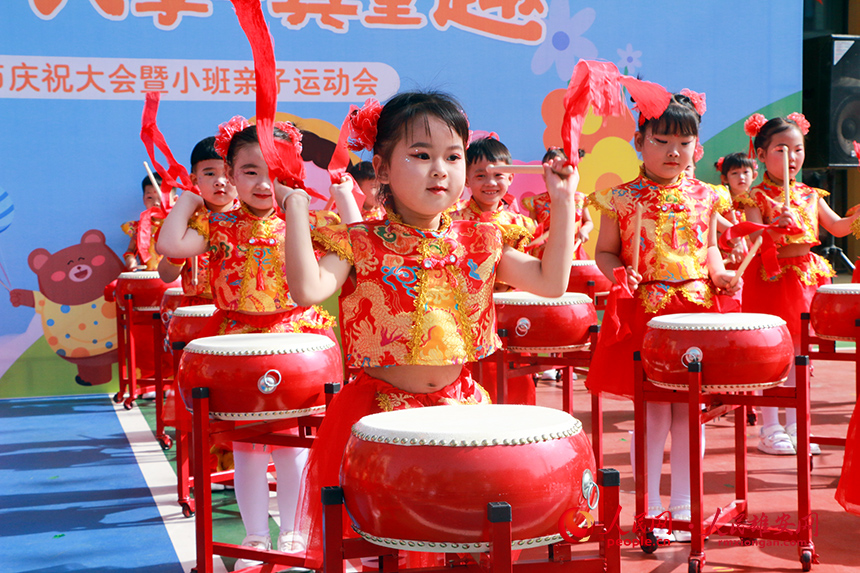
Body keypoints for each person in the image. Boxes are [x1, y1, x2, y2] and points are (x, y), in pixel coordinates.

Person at [281, 90, 580, 569]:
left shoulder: (480, 238)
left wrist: (564, 206)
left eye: (452, 156)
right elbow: (308, 291)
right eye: (420, 156)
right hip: (381, 414)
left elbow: (551, 282)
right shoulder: (361, 242)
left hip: (460, 408)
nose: (439, 169)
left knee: (461, 537)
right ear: (380, 168)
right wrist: (295, 212)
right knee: (388, 543)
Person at [156, 118, 346, 566]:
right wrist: (188, 196)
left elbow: (352, 244)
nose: (264, 184)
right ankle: (257, 539)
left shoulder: (309, 220)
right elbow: (170, 244)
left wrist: (303, 202)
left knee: (292, 447)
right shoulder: (215, 224)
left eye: (276, 172)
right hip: (238, 347)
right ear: (230, 173)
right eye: (250, 172)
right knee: (247, 449)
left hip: (295, 344)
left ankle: (295, 536)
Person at [586, 92, 737, 542]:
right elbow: (605, 251)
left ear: (698, 149)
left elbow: (709, 249)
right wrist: (619, 272)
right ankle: (649, 508)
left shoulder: (709, 196)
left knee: (689, 412)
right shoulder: (621, 197)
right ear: (640, 140)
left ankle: (686, 507)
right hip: (647, 311)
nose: (674, 151)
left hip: (696, 310)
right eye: (663, 140)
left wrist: (722, 272)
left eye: (685, 142)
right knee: (653, 413)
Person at [738, 113, 860, 456]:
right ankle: (769, 426)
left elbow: (837, 228)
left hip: (806, 277)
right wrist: (775, 227)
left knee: (801, 355)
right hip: (772, 278)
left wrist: (857, 216)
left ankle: (796, 425)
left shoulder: (810, 194)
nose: (791, 158)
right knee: (773, 353)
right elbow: (754, 242)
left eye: (797, 149)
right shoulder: (755, 197)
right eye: (781, 149)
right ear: (761, 155)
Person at [453, 135, 537, 403]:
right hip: (466, 317)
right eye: (480, 175)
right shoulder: (452, 220)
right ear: (466, 180)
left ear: (511, 177)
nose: (490, 183)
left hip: (510, 319)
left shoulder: (522, 223)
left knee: (515, 387)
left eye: (498, 175)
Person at [156, 136, 238, 305]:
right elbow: (166, 275)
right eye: (210, 173)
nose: (220, 182)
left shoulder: (249, 217)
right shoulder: (184, 221)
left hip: (239, 311)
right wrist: (179, 253)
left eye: (227, 174)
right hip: (196, 311)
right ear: (194, 180)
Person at [522, 148, 592, 260]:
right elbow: (533, 228)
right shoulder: (536, 201)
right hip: (545, 253)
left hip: (573, 251)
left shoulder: (579, 198)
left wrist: (584, 230)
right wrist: (539, 241)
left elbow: (588, 221)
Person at [122, 173, 170, 271]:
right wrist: (130, 259)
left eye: (160, 198)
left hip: (174, 279)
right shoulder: (139, 227)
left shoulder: (177, 225)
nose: (155, 203)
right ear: (143, 199)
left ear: (173, 200)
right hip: (147, 279)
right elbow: (130, 250)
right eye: (150, 197)